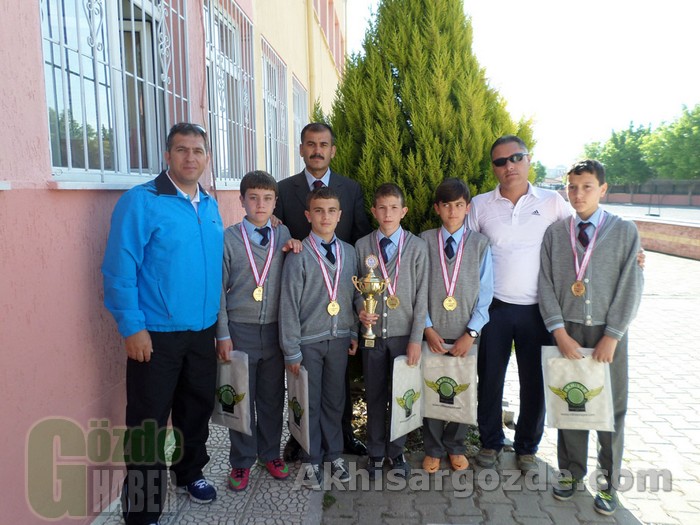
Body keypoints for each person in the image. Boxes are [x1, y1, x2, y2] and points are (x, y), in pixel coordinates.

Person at [102, 123, 222, 525]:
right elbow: (119, 269)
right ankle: (142, 510)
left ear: (207, 158)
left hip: (202, 332)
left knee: (195, 410)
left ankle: (189, 473)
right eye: (182, 150)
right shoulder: (141, 201)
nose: (191, 157)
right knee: (148, 423)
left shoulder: (209, 204)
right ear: (167, 155)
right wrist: (131, 327)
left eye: (198, 151)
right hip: (154, 335)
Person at [539, 159, 643, 515]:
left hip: (606, 333)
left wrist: (613, 334)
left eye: (587, 187)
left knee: (611, 408)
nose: (578, 194)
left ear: (603, 189)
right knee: (572, 401)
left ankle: (609, 484)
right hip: (568, 330)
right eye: (572, 187)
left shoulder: (624, 231)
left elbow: (631, 285)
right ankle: (570, 472)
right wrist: (558, 331)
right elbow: (545, 283)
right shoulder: (556, 233)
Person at [468, 135, 572, 473]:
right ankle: (490, 441)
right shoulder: (480, 205)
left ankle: (527, 447)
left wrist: (630, 250)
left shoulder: (553, 202)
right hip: (494, 308)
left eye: (516, 158)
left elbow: (580, 235)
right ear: (493, 168)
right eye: (500, 161)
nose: (509, 166)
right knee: (490, 379)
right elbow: (466, 253)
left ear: (529, 160)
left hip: (539, 310)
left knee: (534, 382)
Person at [274, 122, 371, 459]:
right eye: (311, 144)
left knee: (335, 388)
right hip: (306, 303)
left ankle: (341, 438)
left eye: (324, 144)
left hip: (339, 309)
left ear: (332, 150)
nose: (317, 150)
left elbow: (359, 236)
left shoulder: (351, 189)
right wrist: (288, 242)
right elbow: (278, 233)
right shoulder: (283, 189)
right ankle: (300, 439)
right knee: (305, 389)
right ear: (302, 148)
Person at [215, 170, 302, 492]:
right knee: (240, 397)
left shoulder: (283, 233)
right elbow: (219, 291)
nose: (260, 204)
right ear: (242, 201)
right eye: (253, 198)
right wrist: (222, 333)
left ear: (275, 202)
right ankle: (241, 460)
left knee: (271, 397)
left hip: (275, 330)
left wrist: (295, 243)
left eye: (267, 199)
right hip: (240, 330)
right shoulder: (229, 238)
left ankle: (270, 454)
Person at [279, 186, 359, 489]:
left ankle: (334, 454)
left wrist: (353, 331)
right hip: (308, 342)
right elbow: (288, 304)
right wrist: (291, 350)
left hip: (339, 339)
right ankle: (311, 458)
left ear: (340, 216)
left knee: (335, 400)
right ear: (308, 215)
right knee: (308, 401)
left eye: (331, 211)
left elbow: (353, 296)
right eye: (319, 211)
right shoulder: (298, 255)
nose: (325, 216)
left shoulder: (349, 252)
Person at [354, 183, 429, 480]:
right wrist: (360, 309)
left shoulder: (418, 248)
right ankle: (375, 453)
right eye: (382, 208)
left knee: (402, 395)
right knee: (373, 395)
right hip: (371, 336)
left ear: (404, 211)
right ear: (374, 211)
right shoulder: (362, 246)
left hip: (403, 337)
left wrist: (416, 339)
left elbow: (422, 297)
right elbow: (354, 288)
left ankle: (396, 451)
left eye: (394, 208)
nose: (388, 213)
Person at [421, 178, 494, 474]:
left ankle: (456, 445)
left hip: (466, 333)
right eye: (447, 205)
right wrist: (426, 327)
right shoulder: (424, 241)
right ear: (437, 208)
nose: (453, 211)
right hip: (433, 333)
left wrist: (472, 332)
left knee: (462, 388)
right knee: (432, 387)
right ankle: (433, 448)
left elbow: (486, 292)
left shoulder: (480, 244)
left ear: (468, 208)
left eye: (459, 205)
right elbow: (417, 289)